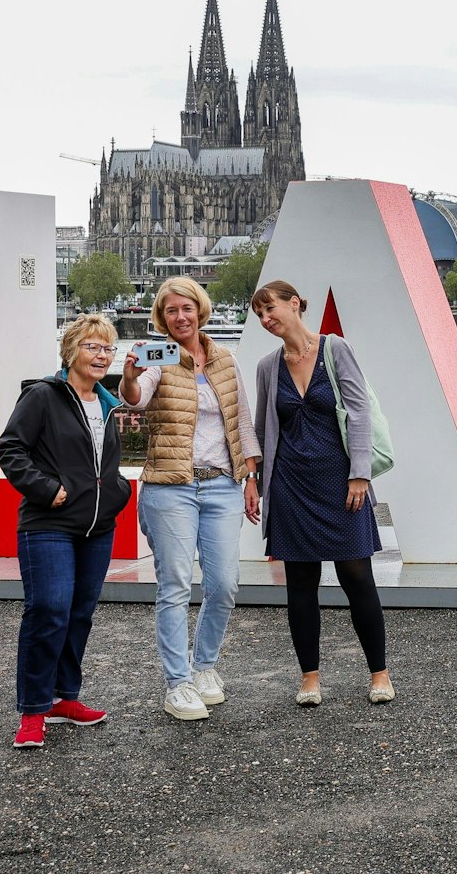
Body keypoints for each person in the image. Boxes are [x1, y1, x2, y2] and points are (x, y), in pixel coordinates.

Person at [119, 276, 261, 721]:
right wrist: (128, 377)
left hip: (222, 484)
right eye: (171, 311)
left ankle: (204, 667)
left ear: (201, 310)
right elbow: (136, 402)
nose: (180, 317)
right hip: (170, 486)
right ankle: (177, 683)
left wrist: (251, 476)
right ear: (162, 318)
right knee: (176, 586)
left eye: (187, 308)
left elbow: (243, 422)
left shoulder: (225, 360)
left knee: (223, 585)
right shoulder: (159, 357)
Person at [249, 280, 394, 706]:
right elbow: (261, 428)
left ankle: (379, 673)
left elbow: (360, 411)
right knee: (300, 583)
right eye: (259, 314)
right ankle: (309, 678)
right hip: (290, 485)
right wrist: (253, 480)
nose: (265, 319)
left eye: (270, 308)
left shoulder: (335, 349)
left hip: (340, 480)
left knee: (358, 578)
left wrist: (360, 474)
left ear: (295, 305)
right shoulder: (266, 366)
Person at [0, 313, 133, 750]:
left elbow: (103, 467)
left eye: (108, 348)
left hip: (97, 527)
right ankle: (33, 711)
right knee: (49, 610)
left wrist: (117, 492)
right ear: (72, 351)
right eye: (93, 346)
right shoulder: (43, 396)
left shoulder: (108, 403)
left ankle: (63, 698)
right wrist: (46, 489)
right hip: (48, 524)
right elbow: (10, 449)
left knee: (79, 614)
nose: (101, 355)